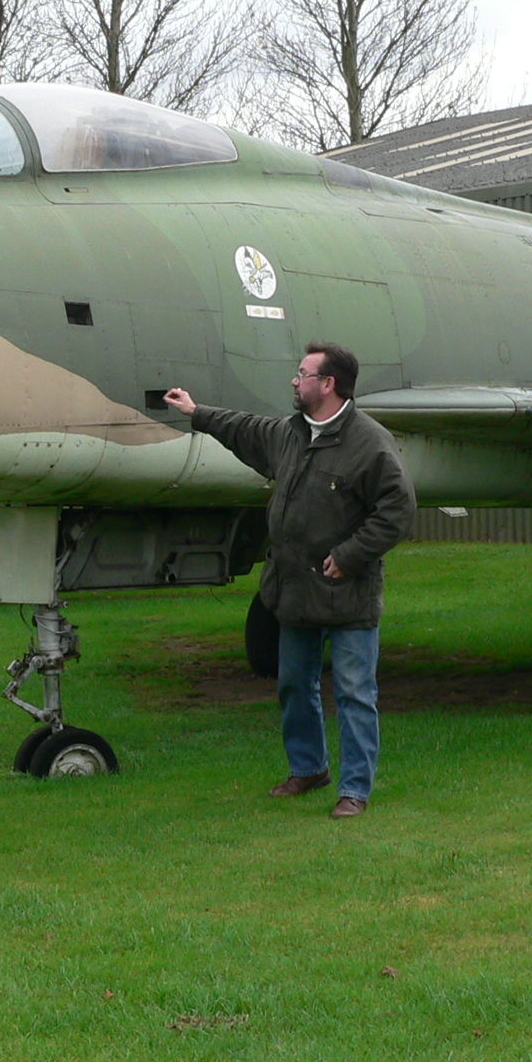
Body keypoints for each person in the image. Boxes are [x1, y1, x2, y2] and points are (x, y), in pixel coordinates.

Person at [164, 343, 416, 818]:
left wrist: (351, 556)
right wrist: (196, 412)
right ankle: (309, 769)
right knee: (294, 685)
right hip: (294, 590)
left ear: (328, 385)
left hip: (348, 595)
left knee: (355, 694)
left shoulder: (370, 442)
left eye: (302, 374)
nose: (294, 382)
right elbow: (242, 429)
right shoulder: (290, 433)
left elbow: (398, 511)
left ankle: (355, 791)